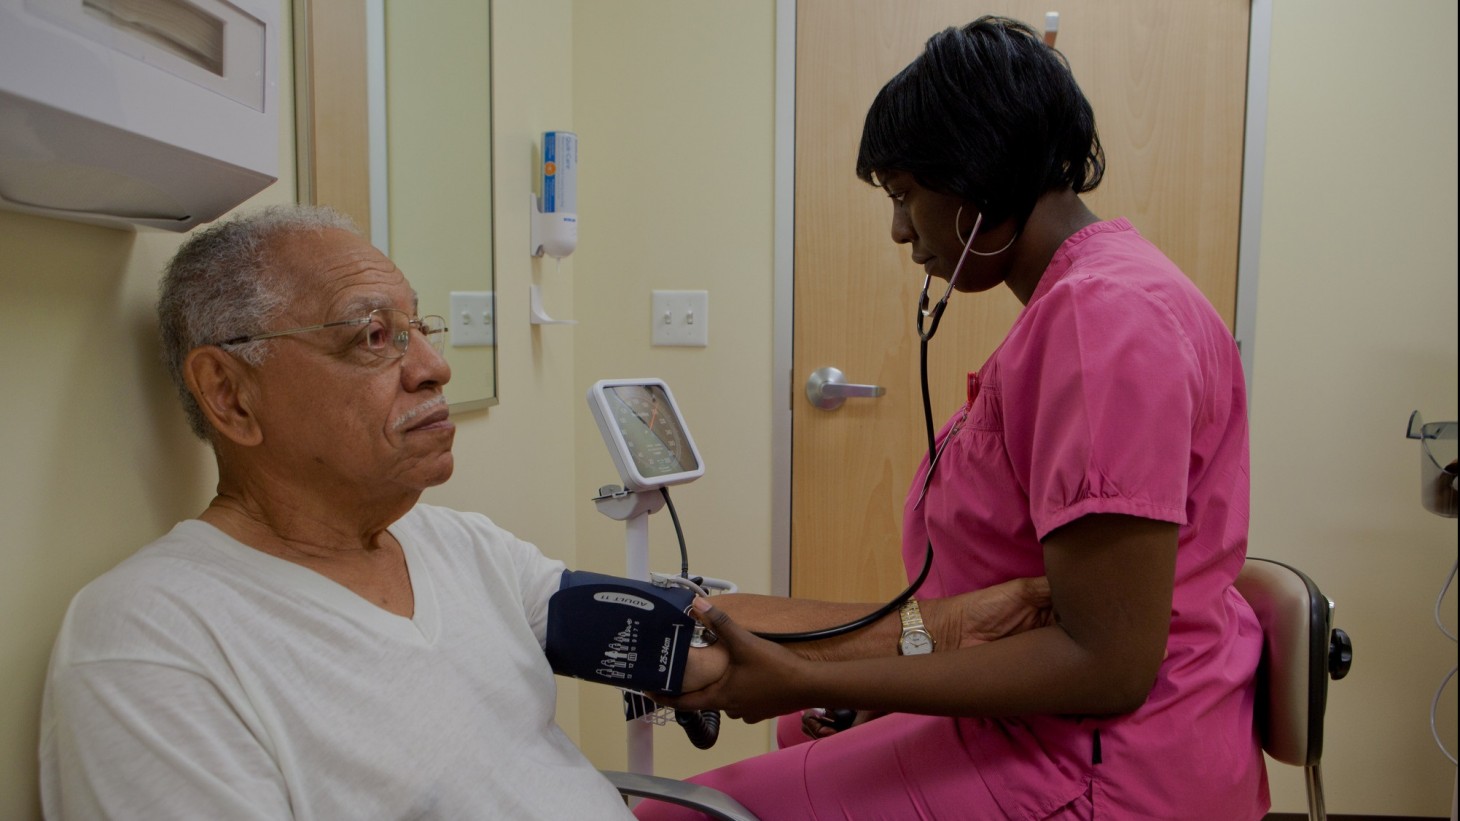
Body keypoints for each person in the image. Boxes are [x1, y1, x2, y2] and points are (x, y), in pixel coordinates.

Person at [37, 204, 1053, 819]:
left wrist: (948, 625)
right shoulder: (155, 644)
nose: (432, 364)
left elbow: (689, 641)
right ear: (229, 394)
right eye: (372, 338)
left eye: (421, 329)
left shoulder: (452, 547)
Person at [639, 16, 1266, 821]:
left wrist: (814, 673)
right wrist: (851, 691)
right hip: (1071, 726)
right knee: (802, 729)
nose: (901, 230)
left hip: (1101, 765)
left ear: (976, 185)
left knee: (681, 812)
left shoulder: (1102, 319)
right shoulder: (1091, 299)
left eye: (905, 196)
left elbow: (1106, 661)